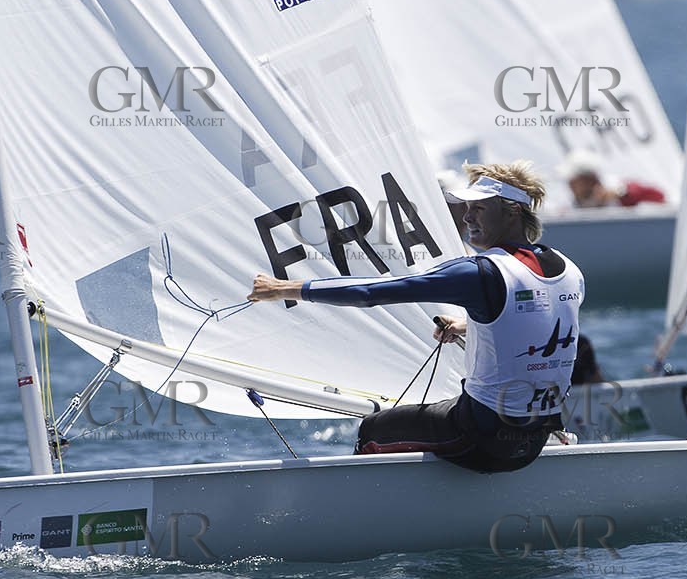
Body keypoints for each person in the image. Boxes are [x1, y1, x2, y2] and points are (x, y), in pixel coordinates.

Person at [249, 161, 584, 473]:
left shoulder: (480, 273)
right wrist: (469, 325)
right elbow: (534, 323)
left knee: (373, 429)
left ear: (513, 212)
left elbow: (372, 292)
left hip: (480, 439)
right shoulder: (569, 270)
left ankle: (366, 506)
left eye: (479, 208)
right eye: (467, 208)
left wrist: (286, 288)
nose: (467, 217)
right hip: (532, 442)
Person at [562, 150, 667, 208]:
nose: (570, 184)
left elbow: (659, 196)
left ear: (587, 180)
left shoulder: (616, 188)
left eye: (574, 181)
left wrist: (622, 194)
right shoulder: (569, 201)